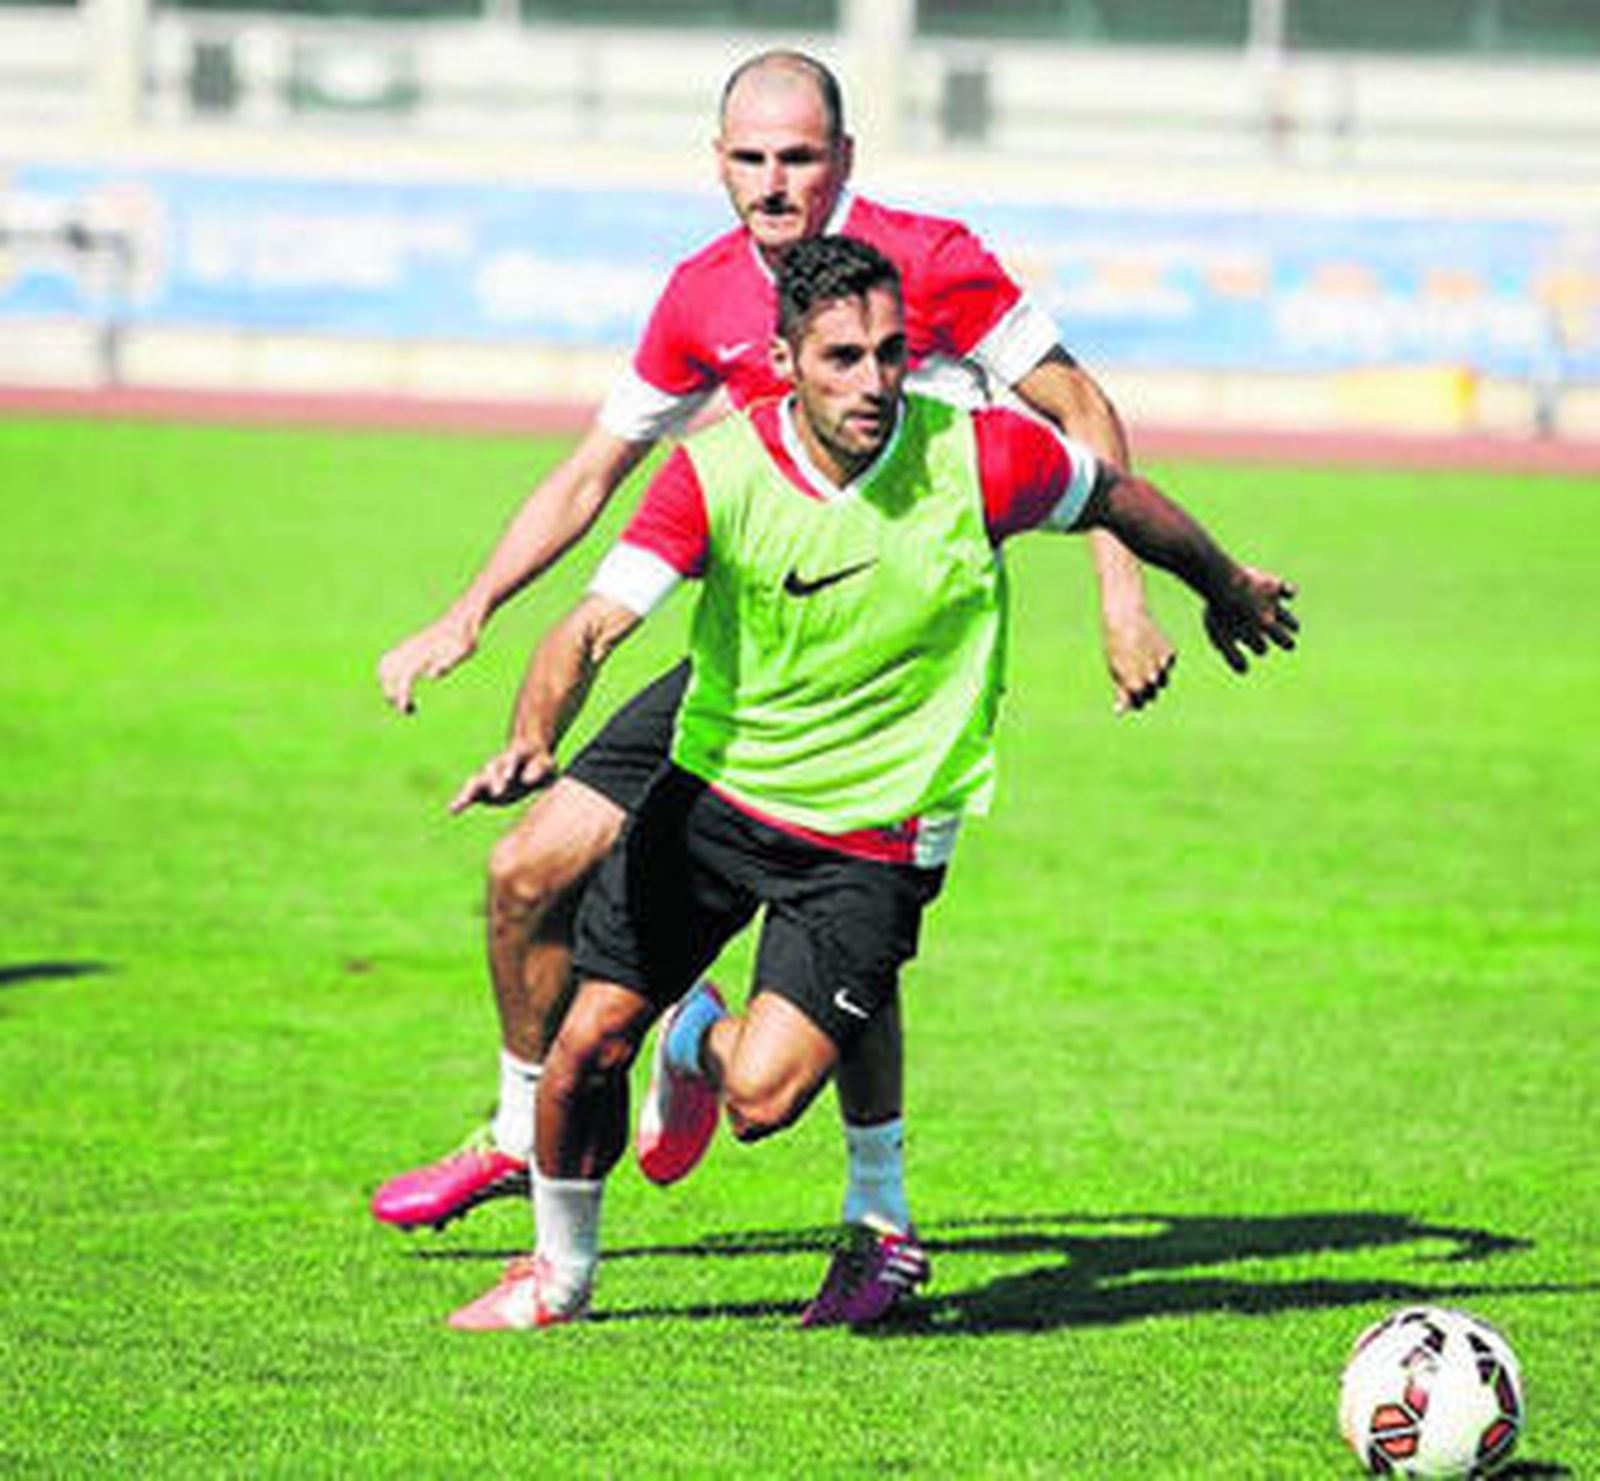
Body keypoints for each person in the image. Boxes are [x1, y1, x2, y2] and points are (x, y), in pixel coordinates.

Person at [371, 51, 1176, 1263]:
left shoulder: (932, 260)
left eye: (798, 156)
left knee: (856, 910)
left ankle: (875, 1205)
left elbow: (1083, 412)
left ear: (842, 158)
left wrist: (1121, 597)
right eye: (749, 158)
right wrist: (469, 609)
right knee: (528, 869)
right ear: (717, 161)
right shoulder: (700, 291)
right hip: (741, 668)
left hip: (897, 690)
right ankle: (519, 1128)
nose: (772, 182)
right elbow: (596, 469)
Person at [443, 235, 1298, 1329]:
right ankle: (557, 1279)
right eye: (842, 356)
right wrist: (532, 735)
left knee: (760, 1098)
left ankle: (699, 1037)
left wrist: (1219, 583)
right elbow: (592, 624)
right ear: (786, 357)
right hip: (713, 798)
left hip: (868, 837)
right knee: (584, 1044)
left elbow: (1120, 498)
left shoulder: (982, 456)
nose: (872, 382)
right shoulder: (717, 472)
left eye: (892, 354)